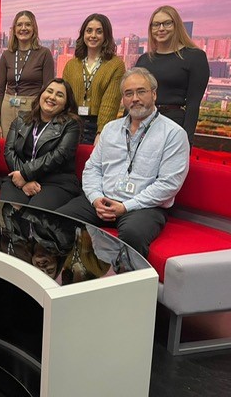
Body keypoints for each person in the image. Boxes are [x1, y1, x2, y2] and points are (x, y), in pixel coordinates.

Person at [56, 67, 190, 257]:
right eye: (128, 93)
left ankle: (127, 283)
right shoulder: (111, 129)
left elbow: (168, 184)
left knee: (132, 234)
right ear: (123, 99)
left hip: (143, 206)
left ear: (154, 94)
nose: (134, 98)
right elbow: (92, 168)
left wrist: (126, 206)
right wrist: (95, 198)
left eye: (141, 91)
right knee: (58, 218)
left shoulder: (173, 134)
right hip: (102, 199)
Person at [0, 78, 81, 210]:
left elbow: (59, 155)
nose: (52, 97)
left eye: (59, 95)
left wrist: (25, 174)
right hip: (19, 176)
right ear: (41, 95)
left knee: (35, 213)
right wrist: (22, 179)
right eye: (49, 91)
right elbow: (9, 151)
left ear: (66, 104)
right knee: (11, 210)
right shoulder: (21, 119)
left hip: (55, 182)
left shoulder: (71, 125)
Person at [135, 5, 210, 144]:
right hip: (142, 123)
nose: (161, 28)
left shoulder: (195, 57)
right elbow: (133, 98)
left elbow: (193, 105)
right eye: (156, 24)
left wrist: (186, 142)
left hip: (174, 125)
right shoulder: (144, 60)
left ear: (177, 26)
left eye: (167, 23)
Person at [62, 13, 124, 144]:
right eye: (89, 31)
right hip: (70, 124)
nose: (93, 35)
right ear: (83, 34)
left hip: (97, 125)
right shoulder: (71, 64)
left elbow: (111, 102)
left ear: (106, 35)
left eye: (99, 31)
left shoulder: (115, 64)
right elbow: (64, 98)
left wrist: (101, 132)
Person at [0, 10, 54, 139]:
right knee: (6, 149)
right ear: (14, 29)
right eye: (19, 25)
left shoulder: (44, 54)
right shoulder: (7, 55)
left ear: (34, 29)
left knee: (27, 148)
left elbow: (49, 89)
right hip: (8, 107)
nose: (23, 28)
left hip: (32, 108)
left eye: (28, 24)